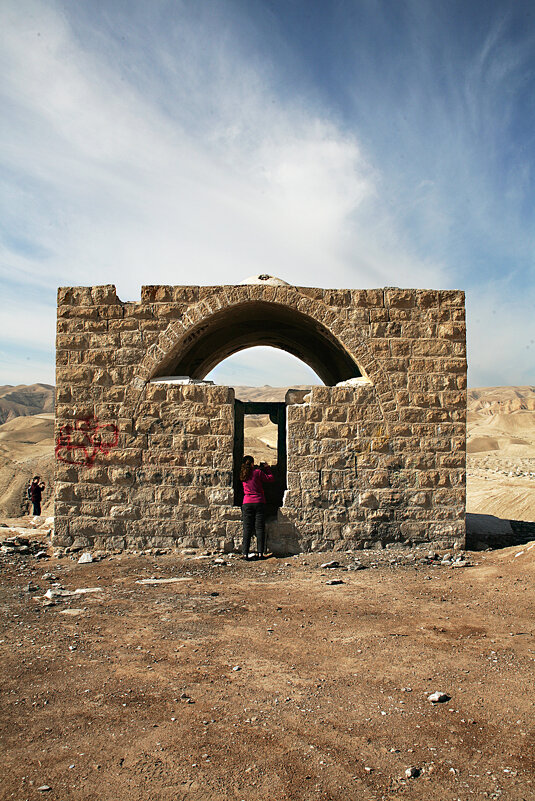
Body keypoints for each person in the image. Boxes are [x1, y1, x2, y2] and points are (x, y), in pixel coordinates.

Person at [240, 455, 275, 560]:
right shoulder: (257, 473)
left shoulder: (242, 474)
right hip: (259, 502)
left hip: (247, 503)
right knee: (259, 528)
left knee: (247, 529)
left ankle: (245, 553)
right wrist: (267, 468)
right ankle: (260, 553)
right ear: (252, 464)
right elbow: (270, 478)